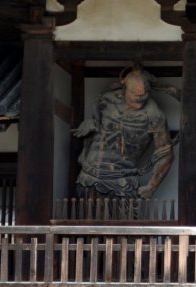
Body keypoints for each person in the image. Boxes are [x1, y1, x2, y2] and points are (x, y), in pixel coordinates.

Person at [73, 66, 174, 200]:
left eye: (143, 94)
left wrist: (151, 186)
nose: (139, 98)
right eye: (134, 93)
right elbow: (98, 125)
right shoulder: (106, 99)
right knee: (84, 218)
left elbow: (166, 154)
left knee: (122, 220)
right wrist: (91, 124)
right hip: (88, 177)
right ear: (124, 87)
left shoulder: (154, 115)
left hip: (122, 183)